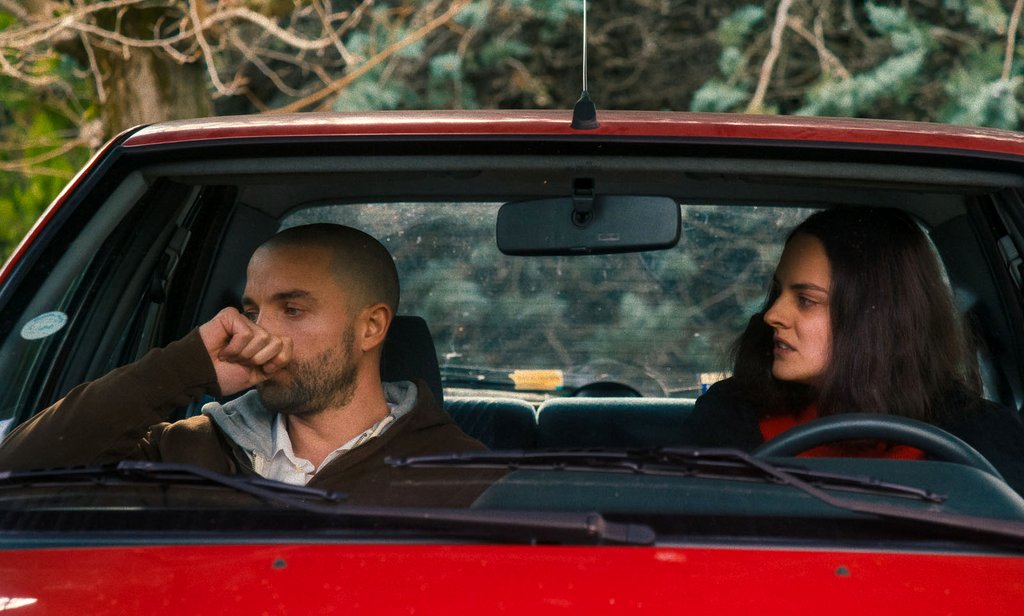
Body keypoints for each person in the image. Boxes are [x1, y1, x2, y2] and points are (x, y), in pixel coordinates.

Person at [0, 224, 495, 506]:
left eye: (293, 310)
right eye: (254, 310)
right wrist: (184, 366)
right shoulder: (188, 450)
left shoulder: (459, 472)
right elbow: (13, 473)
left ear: (371, 328)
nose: (261, 332)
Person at [683, 206, 1024, 494]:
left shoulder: (985, 438)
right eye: (778, 293)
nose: (772, 315)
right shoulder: (729, 416)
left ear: (874, 318)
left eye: (805, 300)